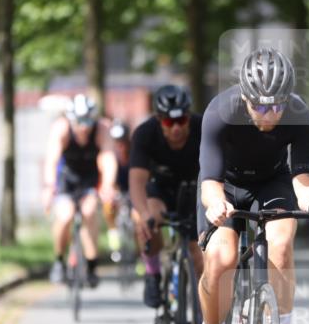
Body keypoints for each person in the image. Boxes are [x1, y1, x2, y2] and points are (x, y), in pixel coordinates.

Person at [196, 48, 309, 324]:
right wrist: (216, 205)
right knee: (222, 257)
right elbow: (209, 180)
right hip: (225, 187)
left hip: (272, 182)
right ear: (245, 97)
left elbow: (304, 177)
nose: (269, 115)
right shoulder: (220, 112)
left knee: (282, 244)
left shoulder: (299, 114)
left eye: (277, 107)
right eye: (259, 107)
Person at [129, 85, 203, 307]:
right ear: (159, 120)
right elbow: (137, 181)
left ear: (189, 117)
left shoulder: (203, 128)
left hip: (195, 190)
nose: (176, 128)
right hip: (160, 189)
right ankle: (153, 273)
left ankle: (203, 317)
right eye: (170, 122)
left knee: (199, 253)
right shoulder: (145, 134)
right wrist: (143, 214)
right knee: (148, 220)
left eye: (181, 120)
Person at [42, 94, 117, 287]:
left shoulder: (102, 129)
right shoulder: (62, 128)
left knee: (89, 212)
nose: (83, 127)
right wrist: (49, 187)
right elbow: (51, 160)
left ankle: (92, 264)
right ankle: (59, 260)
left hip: (89, 179)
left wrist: (108, 185)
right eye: (79, 122)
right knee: (65, 216)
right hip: (67, 180)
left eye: (87, 122)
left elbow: (108, 158)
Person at [104, 120, 131, 260]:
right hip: (118, 189)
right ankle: (113, 238)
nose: (120, 145)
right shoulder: (110, 155)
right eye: (116, 141)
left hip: (132, 190)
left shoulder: (134, 153)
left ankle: (140, 254)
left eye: (122, 140)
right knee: (108, 206)